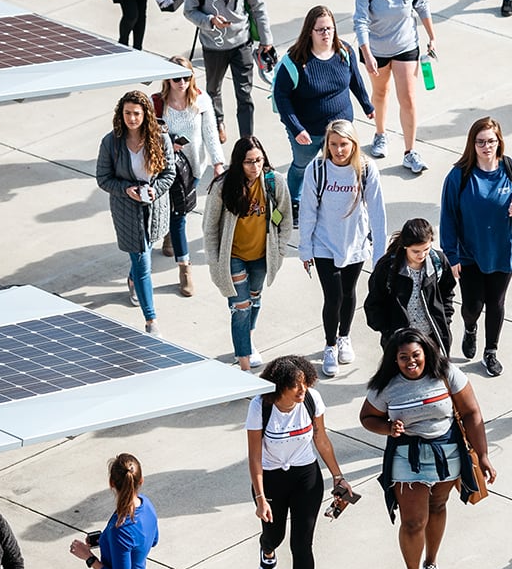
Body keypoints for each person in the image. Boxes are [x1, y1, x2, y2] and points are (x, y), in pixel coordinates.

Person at [359, 329, 496, 569]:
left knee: (438, 507)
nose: (411, 362)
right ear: (394, 360)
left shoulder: (445, 372)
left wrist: (483, 455)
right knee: (412, 522)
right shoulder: (385, 385)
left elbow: (471, 412)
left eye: (416, 355)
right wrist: (387, 427)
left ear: (426, 353)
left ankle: (430, 563)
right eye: (403, 357)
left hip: (446, 452)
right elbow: (367, 417)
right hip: (406, 456)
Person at [246, 355, 349, 569]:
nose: (302, 391)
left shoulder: (312, 400)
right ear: (279, 387)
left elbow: (322, 439)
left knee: (302, 544)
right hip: (272, 479)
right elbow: (254, 454)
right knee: (274, 535)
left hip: (306, 477)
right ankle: (267, 552)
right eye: (296, 387)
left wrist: (338, 477)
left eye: (304, 384)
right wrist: (260, 497)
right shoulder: (260, 406)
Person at [440, 116, 512, 377]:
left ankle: (491, 352)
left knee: (496, 302)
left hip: (502, 251)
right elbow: (448, 217)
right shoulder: (458, 176)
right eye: (481, 142)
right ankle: (470, 328)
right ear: (472, 144)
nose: (487, 147)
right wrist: (451, 256)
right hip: (469, 253)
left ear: (499, 142)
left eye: (491, 141)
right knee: (473, 305)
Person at [299, 119, 387, 377]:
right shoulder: (317, 170)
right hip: (324, 243)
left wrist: (379, 256)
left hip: (355, 242)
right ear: (327, 145)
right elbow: (307, 212)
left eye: (344, 144)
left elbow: (378, 213)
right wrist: (305, 249)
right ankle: (329, 345)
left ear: (353, 144)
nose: (339, 150)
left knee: (348, 293)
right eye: (333, 144)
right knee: (333, 296)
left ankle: (344, 336)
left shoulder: (366, 169)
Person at [273, 5, 374, 224]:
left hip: (340, 131)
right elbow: (282, 98)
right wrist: (296, 128)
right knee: (301, 167)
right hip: (308, 131)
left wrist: (367, 105)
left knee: (342, 167)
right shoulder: (295, 62)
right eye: (320, 30)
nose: (326, 33)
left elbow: (355, 79)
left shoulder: (344, 51)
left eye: (329, 28)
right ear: (310, 31)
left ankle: (340, 203)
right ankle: (295, 203)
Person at [203, 136, 292, 369]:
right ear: (238, 163)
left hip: (262, 256)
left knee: (254, 299)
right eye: (249, 162)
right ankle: (243, 364)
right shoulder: (223, 187)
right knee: (241, 306)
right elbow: (210, 228)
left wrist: (279, 252)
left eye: (258, 160)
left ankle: (247, 339)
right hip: (233, 256)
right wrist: (214, 263)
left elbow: (285, 220)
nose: (255, 167)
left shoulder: (275, 182)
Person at [353, 0, 437, 173]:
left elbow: (422, 5)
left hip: (406, 45)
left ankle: (410, 152)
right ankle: (380, 134)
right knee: (380, 92)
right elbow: (360, 20)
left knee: (408, 97)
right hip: (377, 49)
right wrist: (366, 53)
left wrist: (431, 36)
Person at [96, 91, 175, 334]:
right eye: (127, 113)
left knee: (144, 251)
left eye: (136, 114)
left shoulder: (161, 140)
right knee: (143, 261)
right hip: (126, 210)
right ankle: (151, 320)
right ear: (121, 114)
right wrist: (126, 189)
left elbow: (168, 174)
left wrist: (155, 190)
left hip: (154, 208)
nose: (132, 118)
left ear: (145, 115)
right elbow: (103, 178)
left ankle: (132, 280)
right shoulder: (111, 142)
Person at [183, 0, 273, 143]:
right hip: (213, 46)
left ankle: (247, 139)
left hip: (242, 43)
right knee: (213, 89)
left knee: (244, 94)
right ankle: (218, 122)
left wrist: (266, 39)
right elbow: (189, 11)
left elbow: (258, 6)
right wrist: (209, 21)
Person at [154, 55, 224, 296]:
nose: (182, 82)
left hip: (193, 169)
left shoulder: (201, 100)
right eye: (176, 78)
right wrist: (168, 142)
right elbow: (151, 136)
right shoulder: (158, 103)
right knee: (178, 217)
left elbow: (210, 133)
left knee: (178, 214)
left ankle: (170, 237)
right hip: (165, 170)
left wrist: (218, 163)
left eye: (186, 77)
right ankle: (185, 269)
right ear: (168, 80)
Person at [364, 218, 456, 354]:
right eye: (416, 251)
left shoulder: (438, 262)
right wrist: (388, 331)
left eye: (426, 249)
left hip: (432, 337)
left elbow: (447, 292)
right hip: (400, 341)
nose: (422, 255)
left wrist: (445, 320)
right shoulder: (387, 268)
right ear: (405, 246)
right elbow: (374, 302)